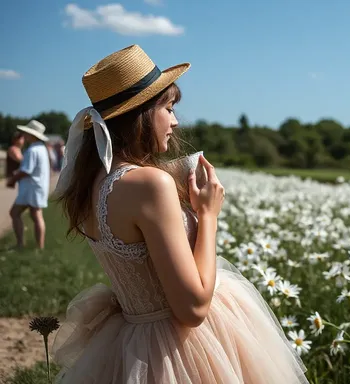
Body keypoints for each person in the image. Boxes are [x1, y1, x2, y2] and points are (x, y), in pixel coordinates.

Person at [51, 45, 308, 383]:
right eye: (168, 108)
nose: (174, 121)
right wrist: (209, 215)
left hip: (130, 341)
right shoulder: (149, 184)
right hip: (179, 350)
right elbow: (193, 309)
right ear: (140, 114)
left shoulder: (91, 184)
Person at [6, 120, 51, 250]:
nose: (24, 136)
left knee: (15, 213)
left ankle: (21, 244)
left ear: (32, 135)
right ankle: (39, 247)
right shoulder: (41, 148)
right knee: (36, 215)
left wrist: (13, 179)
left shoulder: (32, 150)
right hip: (37, 187)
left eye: (26, 133)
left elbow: (26, 170)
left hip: (31, 189)